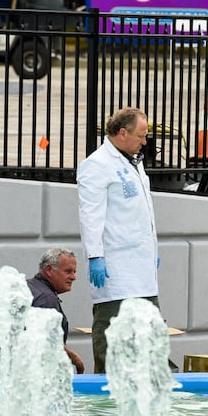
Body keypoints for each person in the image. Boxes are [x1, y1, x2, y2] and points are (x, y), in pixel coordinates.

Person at [77, 107, 161, 374]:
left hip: (143, 271)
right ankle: (106, 393)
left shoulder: (133, 162)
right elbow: (90, 215)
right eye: (141, 135)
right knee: (112, 337)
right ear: (122, 133)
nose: (145, 142)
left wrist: (152, 249)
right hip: (116, 271)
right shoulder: (97, 165)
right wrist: (95, 256)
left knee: (150, 337)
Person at [28, 247, 85, 373]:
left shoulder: (27, 287)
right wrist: (74, 358)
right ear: (49, 270)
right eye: (68, 271)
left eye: (75, 271)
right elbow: (45, 343)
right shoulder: (46, 299)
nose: (74, 277)